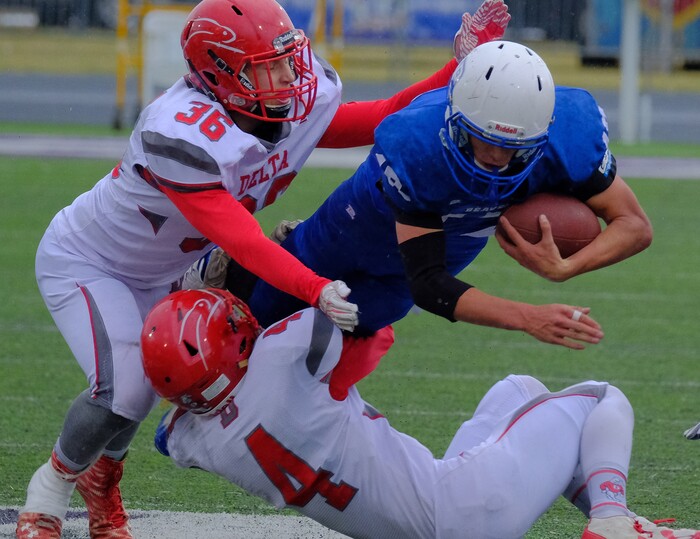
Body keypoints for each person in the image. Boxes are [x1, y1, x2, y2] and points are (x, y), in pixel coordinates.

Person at [14, 1, 513, 537]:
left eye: (285, 59)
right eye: (264, 66)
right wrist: (316, 287)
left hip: (175, 265)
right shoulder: (182, 133)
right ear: (219, 74)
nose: (286, 75)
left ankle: (103, 478)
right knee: (127, 389)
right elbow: (244, 242)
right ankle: (49, 492)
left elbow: (386, 115)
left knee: (178, 372)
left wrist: (458, 71)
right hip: (96, 262)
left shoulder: (288, 102)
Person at [190, 40, 652, 353]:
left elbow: (634, 225)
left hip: (450, 243)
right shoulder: (419, 144)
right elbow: (429, 282)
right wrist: (528, 317)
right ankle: (252, 263)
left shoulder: (570, 136)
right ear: (454, 117)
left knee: (368, 318)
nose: (492, 157)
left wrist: (566, 267)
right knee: (258, 319)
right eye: (479, 139)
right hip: (367, 219)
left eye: (511, 149)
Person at [138, 288, 699, 539]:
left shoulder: (198, 441)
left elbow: (170, 432)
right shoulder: (284, 356)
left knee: (519, 389)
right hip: (464, 511)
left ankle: (611, 518)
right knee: (602, 398)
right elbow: (377, 331)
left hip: (434, 516)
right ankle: (614, 520)